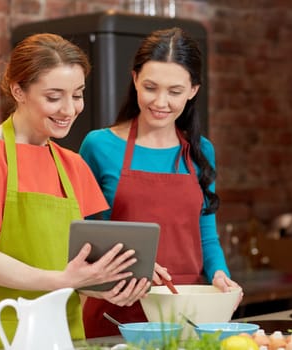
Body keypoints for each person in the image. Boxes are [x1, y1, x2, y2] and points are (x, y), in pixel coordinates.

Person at [0, 33, 150, 349]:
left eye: (77, 95)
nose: (69, 109)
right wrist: (65, 281)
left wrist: (111, 280)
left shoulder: (72, 165)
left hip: (63, 331)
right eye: (54, 96)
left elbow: (70, 270)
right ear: (18, 90)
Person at [79, 27, 243, 338]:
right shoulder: (99, 146)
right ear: (135, 79)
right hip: (116, 312)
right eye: (151, 87)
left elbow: (206, 236)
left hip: (186, 313)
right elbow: (80, 240)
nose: (161, 102)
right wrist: (131, 267)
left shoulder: (201, 151)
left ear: (193, 90)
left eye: (175, 91)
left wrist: (221, 275)